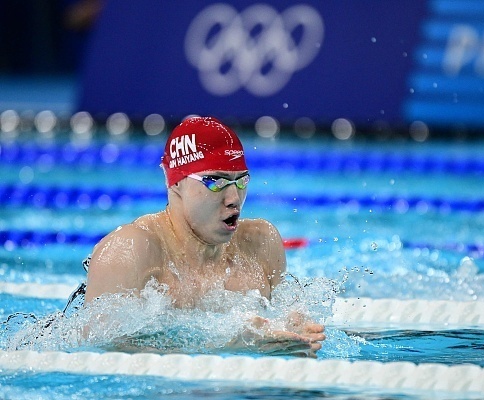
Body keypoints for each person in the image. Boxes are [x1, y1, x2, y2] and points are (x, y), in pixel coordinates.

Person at [83, 116, 325, 357]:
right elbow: (96, 349)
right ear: (176, 183)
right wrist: (232, 343)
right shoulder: (131, 250)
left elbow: (280, 322)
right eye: (216, 181)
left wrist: (294, 329)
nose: (234, 198)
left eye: (241, 181)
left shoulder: (260, 244)